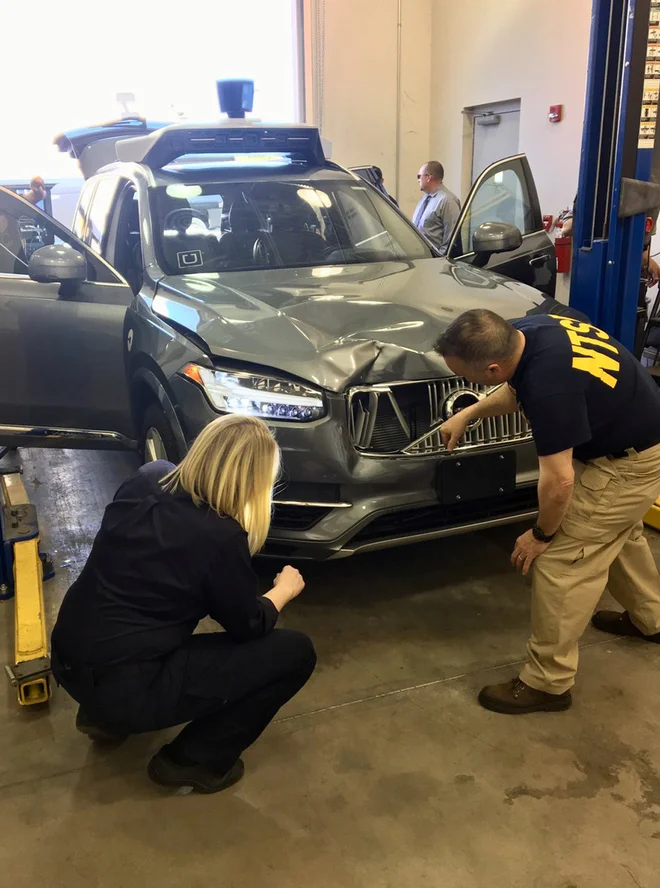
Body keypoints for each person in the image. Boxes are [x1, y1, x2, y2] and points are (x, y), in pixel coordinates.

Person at [51, 414, 316, 793]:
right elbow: (249, 625)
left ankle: (103, 719)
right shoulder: (222, 536)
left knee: (131, 619)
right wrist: (283, 590)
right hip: (121, 687)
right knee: (296, 653)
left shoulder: (147, 478)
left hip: (67, 658)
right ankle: (192, 760)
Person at [435, 309, 660, 715]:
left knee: (564, 560)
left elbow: (559, 482)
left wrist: (540, 535)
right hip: (637, 442)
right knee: (617, 536)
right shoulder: (528, 331)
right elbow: (514, 387)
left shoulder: (549, 387)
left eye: (469, 377)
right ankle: (653, 619)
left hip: (625, 463)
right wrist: (467, 413)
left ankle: (547, 683)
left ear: (491, 366)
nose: (469, 384)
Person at [412, 161, 460, 256]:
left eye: (419, 176)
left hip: (435, 261)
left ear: (428, 177)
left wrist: (439, 259)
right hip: (420, 258)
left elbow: (450, 240)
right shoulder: (424, 200)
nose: (418, 180)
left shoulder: (447, 200)